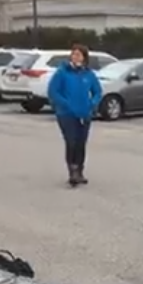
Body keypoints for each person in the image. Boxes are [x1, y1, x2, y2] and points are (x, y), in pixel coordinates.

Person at [47, 44, 103, 187]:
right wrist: (65, 103)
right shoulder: (62, 73)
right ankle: (72, 171)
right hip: (66, 114)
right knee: (71, 142)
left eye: (79, 54)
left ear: (84, 58)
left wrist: (92, 103)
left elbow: (98, 91)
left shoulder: (89, 74)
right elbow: (53, 91)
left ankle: (80, 170)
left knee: (81, 143)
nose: (76, 56)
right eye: (74, 54)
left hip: (84, 114)